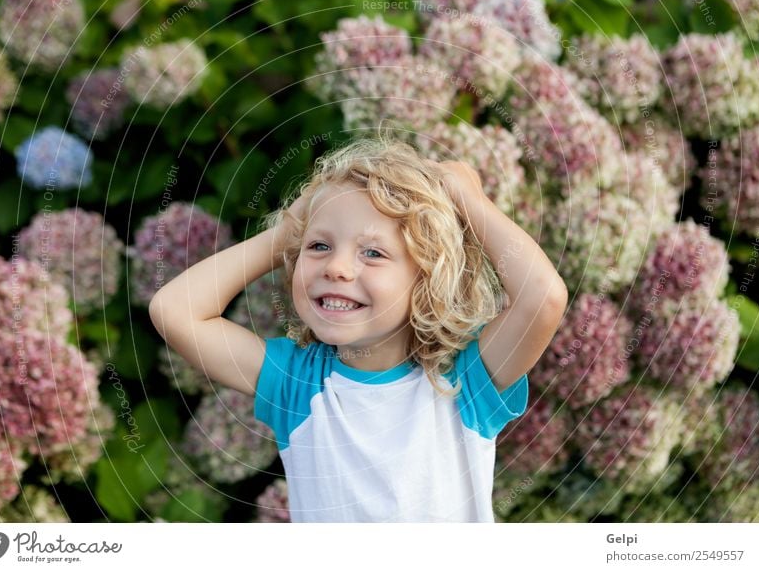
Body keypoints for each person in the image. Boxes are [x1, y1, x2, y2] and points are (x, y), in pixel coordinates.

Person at [148, 132, 568, 522]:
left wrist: (470, 201)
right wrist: (284, 236)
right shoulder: (298, 385)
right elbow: (174, 310)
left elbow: (543, 298)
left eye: (372, 252)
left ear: (428, 281)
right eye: (319, 246)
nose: (336, 267)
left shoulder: (465, 383)